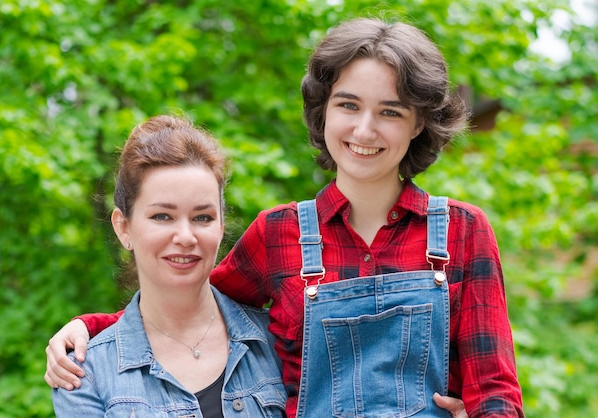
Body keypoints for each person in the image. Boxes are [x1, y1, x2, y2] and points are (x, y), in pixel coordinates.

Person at [46, 17, 523, 417]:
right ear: (324, 111)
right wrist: (92, 327)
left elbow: (496, 394)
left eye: (391, 112)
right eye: (348, 105)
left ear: (418, 122)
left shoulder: (462, 231)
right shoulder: (280, 234)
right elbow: (190, 304)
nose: (364, 129)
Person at [51, 114, 287, 417]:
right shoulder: (86, 373)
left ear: (221, 225)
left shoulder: (277, 339)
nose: (186, 237)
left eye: (202, 217)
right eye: (162, 216)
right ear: (124, 228)